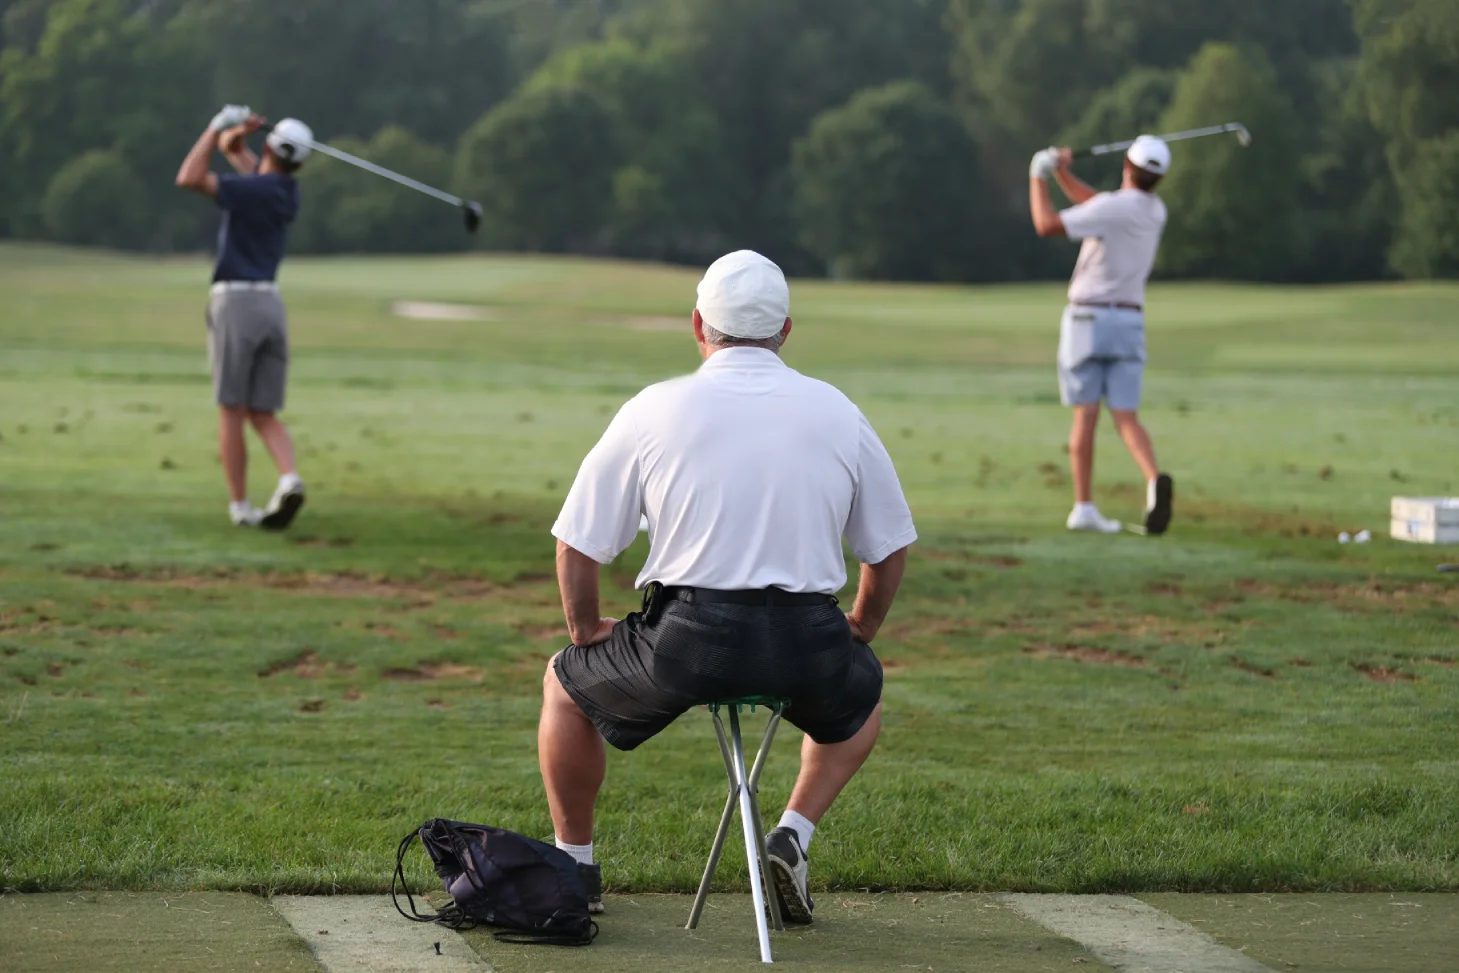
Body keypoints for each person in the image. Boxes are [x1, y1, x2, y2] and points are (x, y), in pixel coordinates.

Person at [538, 250, 917, 923]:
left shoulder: (654, 407)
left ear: (697, 324)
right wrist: (858, 627)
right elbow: (888, 549)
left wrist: (582, 631)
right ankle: (792, 835)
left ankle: (574, 865)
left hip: (685, 643)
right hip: (810, 640)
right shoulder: (837, 410)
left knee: (563, 683)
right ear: (786, 330)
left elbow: (576, 543)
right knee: (863, 695)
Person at [1028, 135, 1175, 535]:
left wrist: (1038, 176)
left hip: (1087, 322)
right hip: (1130, 323)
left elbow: (1047, 225)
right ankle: (1152, 481)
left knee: (1086, 416)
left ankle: (1084, 507)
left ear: (1126, 166)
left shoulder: (1111, 208)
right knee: (1126, 417)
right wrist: (1061, 170)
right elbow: (1098, 206)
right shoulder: (1154, 211)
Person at [175, 105, 310, 529]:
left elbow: (190, 177)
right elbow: (238, 157)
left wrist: (212, 125)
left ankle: (240, 508)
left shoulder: (256, 190)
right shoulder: (285, 192)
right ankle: (289, 478)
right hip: (271, 306)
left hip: (236, 303)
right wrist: (235, 138)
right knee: (263, 413)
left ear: (271, 147)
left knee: (231, 409)